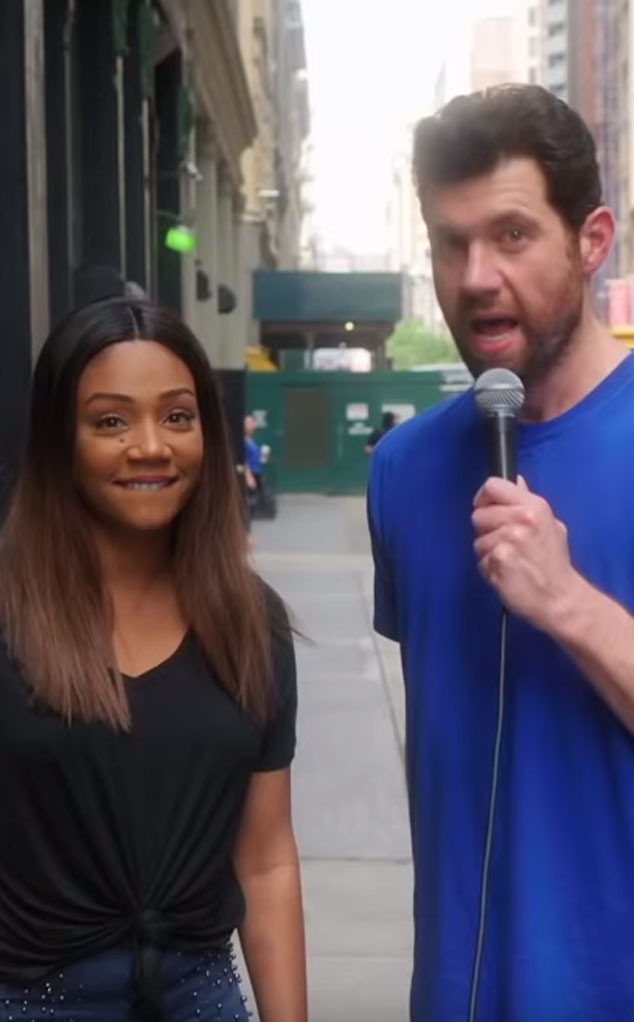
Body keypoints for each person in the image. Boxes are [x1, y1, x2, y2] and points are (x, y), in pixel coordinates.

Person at [367, 83, 634, 1021]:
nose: (475, 274)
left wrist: (569, 602)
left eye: (512, 235)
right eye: (451, 241)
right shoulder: (401, 469)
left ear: (591, 241)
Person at [0, 296, 307, 1022]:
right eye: (111, 420)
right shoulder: (11, 611)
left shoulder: (249, 620)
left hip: (202, 996)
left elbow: (264, 861)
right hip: (33, 1001)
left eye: (177, 416)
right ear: (59, 440)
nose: (150, 446)